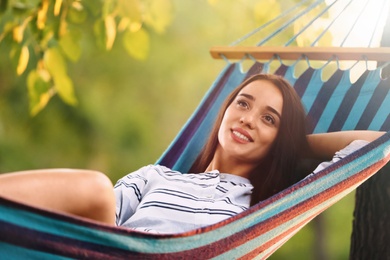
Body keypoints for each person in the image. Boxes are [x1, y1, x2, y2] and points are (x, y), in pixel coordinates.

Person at [0, 74, 385, 234]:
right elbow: (103, 223)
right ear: (226, 109)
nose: (248, 119)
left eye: (269, 119)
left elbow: (377, 145)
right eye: (243, 104)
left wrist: (296, 142)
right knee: (96, 190)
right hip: (112, 251)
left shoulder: (267, 207)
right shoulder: (158, 176)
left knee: (94, 186)